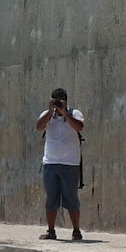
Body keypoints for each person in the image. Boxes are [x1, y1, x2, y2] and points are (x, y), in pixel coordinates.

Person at [35, 87, 85, 241]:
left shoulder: (74, 113)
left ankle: (76, 231)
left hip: (70, 164)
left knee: (71, 198)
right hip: (50, 163)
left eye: (60, 100)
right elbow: (38, 127)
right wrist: (51, 112)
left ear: (66, 101)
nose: (57, 103)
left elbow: (80, 127)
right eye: (55, 100)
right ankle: (51, 231)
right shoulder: (47, 115)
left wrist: (65, 113)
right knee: (51, 199)